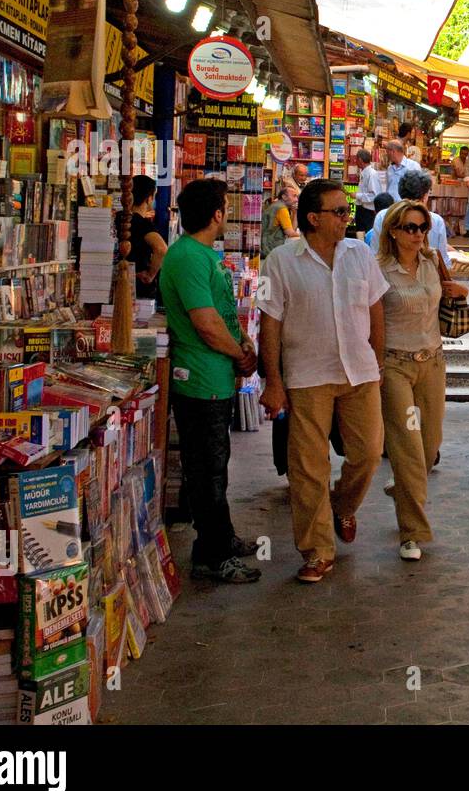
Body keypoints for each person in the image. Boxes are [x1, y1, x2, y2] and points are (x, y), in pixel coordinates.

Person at [258, 179, 387, 584]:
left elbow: (376, 311)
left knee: (368, 453)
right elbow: (269, 323)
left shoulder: (360, 254)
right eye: (339, 212)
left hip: (359, 372)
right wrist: (273, 380)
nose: (346, 218)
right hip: (307, 375)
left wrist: (377, 364)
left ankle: (342, 505)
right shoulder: (279, 261)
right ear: (314, 218)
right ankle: (316, 549)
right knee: (308, 467)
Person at [158, 178, 260, 584]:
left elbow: (221, 313)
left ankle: (222, 538)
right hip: (200, 380)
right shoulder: (187, 257)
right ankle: (212, 555)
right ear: (217, 213)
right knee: (206, 470)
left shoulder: (200, 254)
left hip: (215, 376)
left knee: (215, 465)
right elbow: (205, 323)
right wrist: (239, 353)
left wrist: (242, 343)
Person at [377, 201, 468, 560]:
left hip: (432, 363)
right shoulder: (379, 270)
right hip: (395, 366)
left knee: (429, 447)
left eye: (422, 228)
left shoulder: (432, 262)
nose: (417, 234)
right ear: (394, 231)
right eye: (410, 227)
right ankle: (411, 533)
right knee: (408, 446)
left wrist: (459, 291)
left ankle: (404, 484)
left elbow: (457, 289)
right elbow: (369, 320)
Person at [370, 170, 451, 267]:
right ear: (425, 196)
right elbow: (443, 261)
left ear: (400, 193)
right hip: (426, 278)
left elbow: (375, 255)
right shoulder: (436, 221)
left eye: (423, 228)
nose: (419, 234)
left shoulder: (383, 216)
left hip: (387, 277)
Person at [129, 175, 167, 300]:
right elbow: (161, 249)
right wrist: (150, 274)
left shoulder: (120, 218)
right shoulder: (143, 224)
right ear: (149, 199)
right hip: (138, 285)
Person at [261, 180, 300, 259]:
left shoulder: (277, 205)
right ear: (284, 197)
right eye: (294, 196)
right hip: (271, 248)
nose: (296, 200)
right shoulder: (281, 209)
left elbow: (292, 230)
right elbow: (291, 233)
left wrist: (295, 213)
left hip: (266, 246)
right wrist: (307, 237)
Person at [354, 149, 385, 233]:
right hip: (362, 210)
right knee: (360, 235)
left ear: (360, 160)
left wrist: (357, 195)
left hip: (367, 213)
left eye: (356, 159)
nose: (355, 161)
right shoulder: (365, 173)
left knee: (366, 236)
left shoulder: (372, 174)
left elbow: (374, 196)